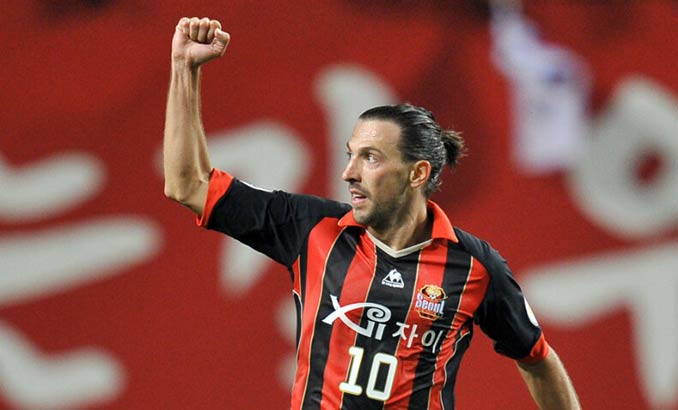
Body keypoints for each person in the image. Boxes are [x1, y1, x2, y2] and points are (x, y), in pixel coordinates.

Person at [164, 16, 581, 410]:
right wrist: (185, 69)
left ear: (417, 173)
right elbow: (189, 185)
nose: (349, 172)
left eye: (371, 158)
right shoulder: (312, 228)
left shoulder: (475, 266)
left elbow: (537, 358)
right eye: (350, 155)